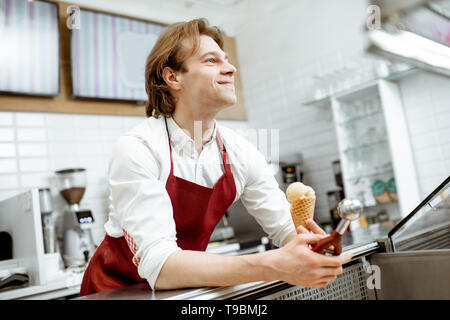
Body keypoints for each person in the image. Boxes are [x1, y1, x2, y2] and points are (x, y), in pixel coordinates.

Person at [79, 18, 351, 296]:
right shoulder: (138, 148)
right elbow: (161, 266)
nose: (230, 68)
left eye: (227, 60)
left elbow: (284, 227)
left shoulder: (240, 152)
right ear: (173, 77)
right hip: (115, 292)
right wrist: (272, 264)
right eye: (211, 61)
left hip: (182, 292)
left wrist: (312, 247)